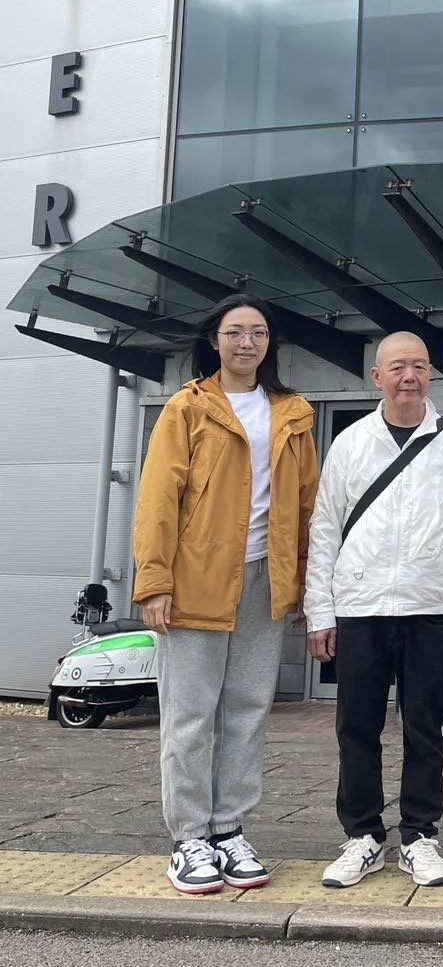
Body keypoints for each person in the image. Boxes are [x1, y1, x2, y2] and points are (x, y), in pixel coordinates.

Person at [133, 295, 318, 895]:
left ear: (270, 343)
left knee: (247, 710)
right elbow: (157, 500)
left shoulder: (292, 413)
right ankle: (189, 837)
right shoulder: (187, 408)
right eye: (235, 332)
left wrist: (305, 585)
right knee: (190, 714)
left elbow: (308, 507)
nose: (247, 343)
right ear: (214, 339)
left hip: (265, 581)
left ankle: (229, 829)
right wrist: (154, 582)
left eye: (258, 333)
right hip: (196, 579)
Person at [304, 333, 443, 891]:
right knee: (356, 727)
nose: (410, 376)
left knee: (424, 727)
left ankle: (419, 836)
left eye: (420, 367)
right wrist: (320, 611)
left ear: (431, 375)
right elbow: (324, 529)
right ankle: (362, 836)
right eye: (398, 367)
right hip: (360, 606)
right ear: (377, 376)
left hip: (430, 604)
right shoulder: (351, 442)